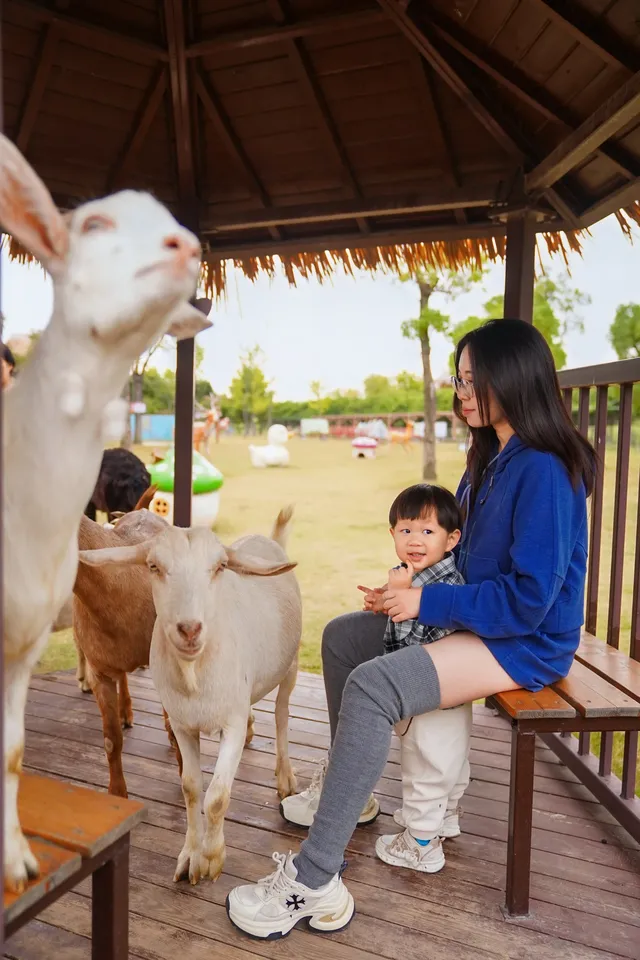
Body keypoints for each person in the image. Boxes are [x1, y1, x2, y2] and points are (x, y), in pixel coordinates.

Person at [226, 318, 596, 941]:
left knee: (373, 687)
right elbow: (463, 557)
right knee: (343, 638)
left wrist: (426, 603)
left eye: (473, 380)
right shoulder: (490, 459)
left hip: (524, 642)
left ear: (513, 378)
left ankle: (314, 881)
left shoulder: (545, 469)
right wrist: (406, 588)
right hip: (480, 621)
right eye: (459, 379)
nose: (461, 392)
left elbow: (530, 601)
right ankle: (352, 792)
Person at [282, 482, 471, 876]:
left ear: (452, 539)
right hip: (452, 693)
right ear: (392, 534)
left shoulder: (442, 586)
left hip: (433, 695)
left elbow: (410, 650)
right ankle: (443, 820)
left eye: (427, 531)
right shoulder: (423, 575)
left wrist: (400, 601)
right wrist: (389, 600)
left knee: (426, 767)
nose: (415, 540)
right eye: (406, 530)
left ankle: (422, 844)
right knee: (447, 767)